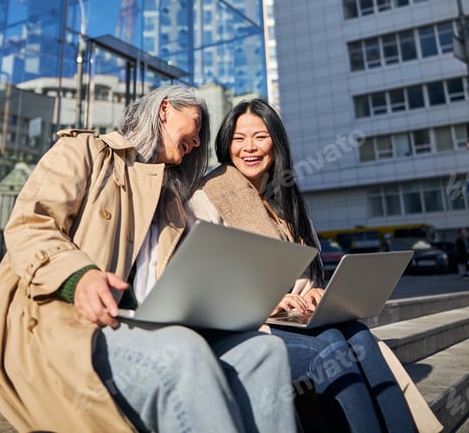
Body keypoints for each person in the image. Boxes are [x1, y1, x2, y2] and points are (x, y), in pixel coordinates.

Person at [0, 86, 297, 433]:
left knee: (265, 353)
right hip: (73, 324)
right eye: (195, 126)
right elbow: (30, 224)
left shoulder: (173, 202)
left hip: (152, 325)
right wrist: (80, 276)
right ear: (164, 110)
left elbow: (184, 281)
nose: (196, 143)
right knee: (182, 351)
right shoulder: (84, 151)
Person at [188, 98, 442, 433]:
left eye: (260, 137)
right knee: (331, 348)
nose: (249, 147)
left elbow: (306, 272)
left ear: (276, 144)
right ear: (226, 143)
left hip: (293, 319)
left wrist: (317, 292)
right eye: (239, 138)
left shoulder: (285, 199)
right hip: (246, 325)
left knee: (361, 336)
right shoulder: (208, 194)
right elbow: (201, 277)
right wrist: (263, 300)